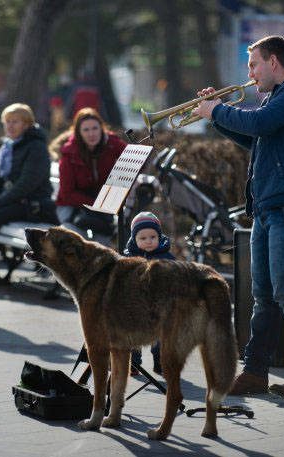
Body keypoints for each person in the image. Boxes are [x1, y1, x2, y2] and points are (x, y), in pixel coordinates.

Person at [193, 35, 284, 402]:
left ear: (274, 62)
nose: (250, 74)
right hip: (270, 206)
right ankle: (255, 371)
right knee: (263, 296)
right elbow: (256, 138)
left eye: (253, 65)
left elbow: (260, 124)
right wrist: (218, 114)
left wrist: (216, 111)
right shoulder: (280, 95)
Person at [0, 103, 58, 288]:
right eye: (7, 122)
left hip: (35, 205)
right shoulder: (7, 146)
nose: (10, 126)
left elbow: (25, 185)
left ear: (27, 124)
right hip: (11, 203)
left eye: (15, 122)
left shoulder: (36, 147)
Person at [54, 107, 126, 236]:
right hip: (72, 207)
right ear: (78, 133)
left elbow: (135, 160)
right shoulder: (69, 153)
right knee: (75, 239)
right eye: (86, 130)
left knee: (104, 241)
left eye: (95, 128)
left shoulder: (112, 143)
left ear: (101, 128)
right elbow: (67, 194)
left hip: (101, 207)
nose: (91, 134)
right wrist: (97, 204)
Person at [123, 211, 175, 375]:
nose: (148, 241)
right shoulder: (130, 257)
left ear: (159, 236)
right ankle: (134, 363)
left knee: (159, 337)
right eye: (143, 238)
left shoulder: (165, 256)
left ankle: (159, 362)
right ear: (134, 239)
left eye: (152, 237)